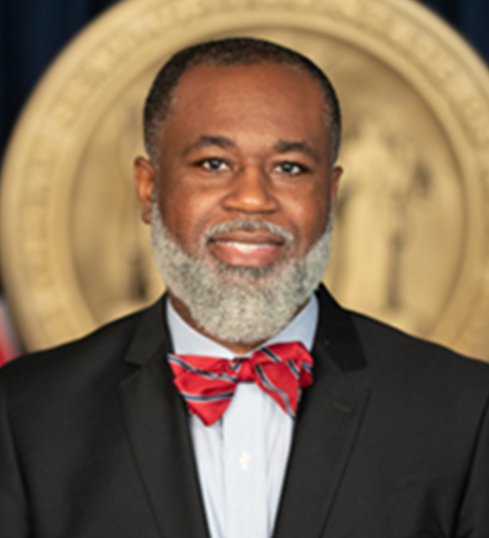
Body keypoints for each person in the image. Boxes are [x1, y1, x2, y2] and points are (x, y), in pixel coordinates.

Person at [1, 37, 489, 538]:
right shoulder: (24, 414)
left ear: (331, 195)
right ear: (149, 188)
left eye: (289, 168)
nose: (253, 199)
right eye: (214, 163)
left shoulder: (467, 411)